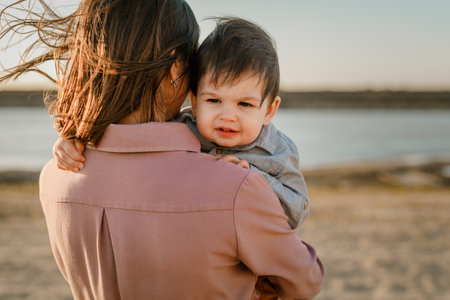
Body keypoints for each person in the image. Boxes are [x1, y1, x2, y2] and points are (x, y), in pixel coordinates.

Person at [1, 1, 324, 299]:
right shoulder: (237, 186)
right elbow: (305, 282)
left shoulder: (58, 172)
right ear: (176, 68)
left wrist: (70, 136)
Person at [55, 17, 310, 229]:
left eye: (245, 104)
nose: (228, 115)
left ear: (269, 110)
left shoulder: (279, 150)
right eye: (214, 100)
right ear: (195, 100)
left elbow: (297, 211)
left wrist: (250, 180)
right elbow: (130, 136)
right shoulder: (179, 128)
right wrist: (73, 137)